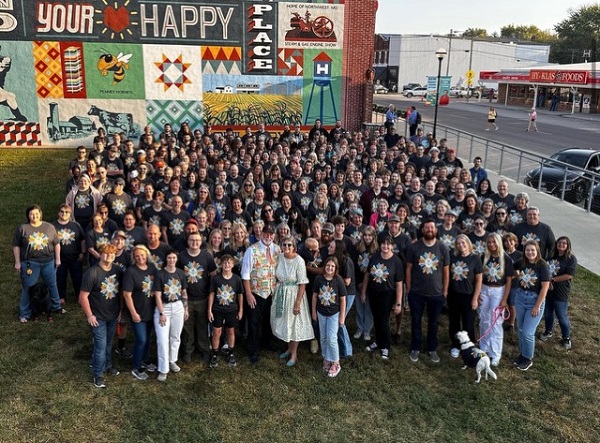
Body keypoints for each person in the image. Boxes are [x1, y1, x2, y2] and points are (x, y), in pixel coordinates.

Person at [405, 219, 450, 363]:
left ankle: (432, 348)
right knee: (416, 321)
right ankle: (416, 347)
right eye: (427, 227)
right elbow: (408, 269)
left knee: (434, 322)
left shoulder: (442, 247)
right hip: (416, 292)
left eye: (432, 227)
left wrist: (445, 290)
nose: (430, 229)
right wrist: (409, 289)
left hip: (436, 294)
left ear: (435, 230)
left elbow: (446, 271)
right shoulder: (414, 247)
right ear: (422, 230)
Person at [79, 244, 123, 388]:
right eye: (105, 253)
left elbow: (122, 292)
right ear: (100, 254)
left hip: (113, 315)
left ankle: (108, 365)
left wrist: (121, 310)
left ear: (115, 255)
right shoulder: (92, 273)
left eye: (111, 254)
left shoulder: (117, 270)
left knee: (109, 343)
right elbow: (83, 297)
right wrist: (89, 315)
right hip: (98, 317)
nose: (108, 256)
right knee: (100, 346)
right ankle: (98, 375)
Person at [13, 204, 65, 322]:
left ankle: (56, 307)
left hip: (48, 262)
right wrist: (17, 262)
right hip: (30, 263)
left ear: (40, 214)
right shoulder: (23, 228)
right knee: (27, 287)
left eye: (36, 213)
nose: (34, 216)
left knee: (52, 284)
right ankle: (25, 314)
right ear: (28, 215)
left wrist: (58, 259)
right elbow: (16, 246)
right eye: (31, 214)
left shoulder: (49, 227)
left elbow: (56, 244)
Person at [270, 236, 313, 367]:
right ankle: (288, 349)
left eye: (289, 245)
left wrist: (297, 303)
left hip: (294, 295)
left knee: (294, 324)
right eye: (284, 245)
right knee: (285, 322)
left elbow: (302, 283)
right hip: (281, 293)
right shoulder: (280, 257)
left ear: (294, 247)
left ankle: (294, 354)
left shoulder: (299, 261)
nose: (286, 247)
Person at [241, 225, 281, 364]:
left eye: (271, 234)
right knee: (254, 323)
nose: (268, 236)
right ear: (261, 234)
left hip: (271, 292)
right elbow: (245, 275)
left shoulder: (277, 249)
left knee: (268, 320)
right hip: (256, 293)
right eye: (266, 233)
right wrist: (248, 294)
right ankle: (253, 350)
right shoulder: (251, 250)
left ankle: (266, 342)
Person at [361, 235, 404, 360]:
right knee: (376, 318)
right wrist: (363, 292)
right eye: (383, 244)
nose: (385, 246)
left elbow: (399, 284)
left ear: (392, 246)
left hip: (387, 294)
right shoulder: (375, 257)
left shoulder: (396, 261)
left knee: (383, 320)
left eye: (388, 244)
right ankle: (378, 341)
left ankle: (386, 346)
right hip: (374, 292)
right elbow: (367, 276)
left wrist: (398, 303)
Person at [178, 231, 217, 363]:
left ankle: (204, 349)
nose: (194, 242)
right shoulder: (181, 257)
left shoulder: (207, 256)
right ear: (187, 241)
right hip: (187, 299)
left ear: (201, 242)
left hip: (203, 298)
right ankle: (188, 350)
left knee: (202, 326)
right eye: (192, 240)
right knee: (187, 327)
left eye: (197, 240)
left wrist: (211, 293)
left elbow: (213, 275)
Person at [513, 240, 550, 371]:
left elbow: (545, 288)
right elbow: (514, 267)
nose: (530, 252)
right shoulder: (522, 262)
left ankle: (528, 359)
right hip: (520, 298)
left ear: (537, 251)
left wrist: (537, 306)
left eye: (532, 250)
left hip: (534, 301)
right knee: (521, 329)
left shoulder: (543, 265)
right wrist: (518, 277)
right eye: (527, 250)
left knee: (528, 332)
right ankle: (522, 355)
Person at [122, 245, 157, 380]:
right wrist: (133, 313)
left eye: (142, 255)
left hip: (151, 310)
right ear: (134, 257)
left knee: (148, 338)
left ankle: (144, 359)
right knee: (141, 339)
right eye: (137, 256)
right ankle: (136, 367)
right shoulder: (131, 272)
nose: (140, 258)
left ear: (147, 255)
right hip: (138, 312)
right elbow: (126, 294)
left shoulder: (152, 268)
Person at [153, 248, 189, 382]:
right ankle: (163, 369)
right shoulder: (160, 274)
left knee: (175, 336)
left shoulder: (181, 273)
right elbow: (157, 296)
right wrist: (161, 312)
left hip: (178, 307)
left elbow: (184, 292)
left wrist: (186, 308)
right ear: (165, 259)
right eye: (169, 258)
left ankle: (172, 360)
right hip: (164, 308)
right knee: (162, 340)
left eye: (174, 258)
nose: (172, 260)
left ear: (177, 259)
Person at [479, 233, 514, 366]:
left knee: (495, 322)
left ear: (499, 242)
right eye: (489, 242)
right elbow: (479, 277)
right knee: (483, 319)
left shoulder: (506, 259)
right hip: (484, 289)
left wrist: (504, 299)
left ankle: (495, 353)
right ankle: (484, 347)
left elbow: (509, 281)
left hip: (498, 291)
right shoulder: (483, 257)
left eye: (494, 242)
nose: (492, 245)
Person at [448, 235, 483, 358]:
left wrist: (475, 298)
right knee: (454, 322)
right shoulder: (453, 257)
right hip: (453, 294)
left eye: (463, 243)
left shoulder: (475, 258)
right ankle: (456, 345)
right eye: (458, 243)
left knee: (468, 323)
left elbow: (479, 280)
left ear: (468, 243)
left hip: (468, 295)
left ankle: (469, 347)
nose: (461, 245)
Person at [312, 257, 347, 377]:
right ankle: (327, 358)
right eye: (328, 265)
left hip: (334, 314)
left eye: (332, 266)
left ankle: (336, 362)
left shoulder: (338, 281)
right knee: (323, 338)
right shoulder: (318, 279)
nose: (330, 268)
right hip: (321, 313)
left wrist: (342, 317)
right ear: (324, 266)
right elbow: (315, 296)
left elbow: (342, 299)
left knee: (332, 338)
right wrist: (313, 312)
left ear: (335, 268)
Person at [540, 236, 577, 350]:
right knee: (548, 312)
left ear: (568, 246)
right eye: (559, 243)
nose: (561, 245)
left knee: (561, 315)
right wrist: (547, 280)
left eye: (564, 243)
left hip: (561, 291)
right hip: (548, 290)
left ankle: (566, 338)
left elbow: (569, 275)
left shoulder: (571, 259)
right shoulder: (551, 256)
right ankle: (548, 331)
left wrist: (553, 280)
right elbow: (544, 269)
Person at [208, 254, 244, 368]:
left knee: (230, 331)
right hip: (217, 309)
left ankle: (231, 351)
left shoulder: (236, 279)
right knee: (216, 332)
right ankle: (214, 353)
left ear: (233, 264)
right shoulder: (216, 279)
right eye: (224, 262)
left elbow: (240, 295)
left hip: (231, 310)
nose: (226, 265)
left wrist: (240, 310)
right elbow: (212, 294)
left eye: (229, 262)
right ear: (221, 264)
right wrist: (209, 310)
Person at [53, 204, 85, 305]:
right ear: (58, 213)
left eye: (66, 212)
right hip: (60, 258)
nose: (64, 214)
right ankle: (61, 297)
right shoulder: (53, 226)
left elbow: (82, 240)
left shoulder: (75, 225)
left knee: (77, 278)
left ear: (70, 214)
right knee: (60, 277)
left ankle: (79, 297)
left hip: (75, 257)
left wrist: (82, 252)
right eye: (62, 211)